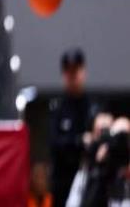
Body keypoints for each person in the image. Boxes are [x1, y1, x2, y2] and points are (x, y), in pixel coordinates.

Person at [50, 48, 96, 207]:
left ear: (83, 71)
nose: (72, 76)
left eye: (76, 71)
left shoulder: (92, 107)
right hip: (63, 183)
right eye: (68, 72)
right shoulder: (58, 109)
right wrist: (78, 141)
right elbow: (55, 143)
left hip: (90, 181)